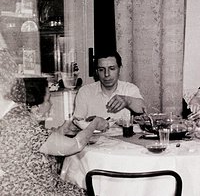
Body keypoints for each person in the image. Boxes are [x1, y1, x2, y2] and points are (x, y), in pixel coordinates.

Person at [0, 49, 108, 195]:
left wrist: (63, 130)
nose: (51, 104)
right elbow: (75, 145)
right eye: (48, 99)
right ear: (36, 106)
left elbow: (36, 143)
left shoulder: (15, 116)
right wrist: (94, 123)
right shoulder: (24, 123)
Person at [72, 49, 146, 120]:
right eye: (101, 69)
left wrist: (127, 101)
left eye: (112, 68)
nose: (106, 74)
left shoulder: (129, 89)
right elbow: (77, 122)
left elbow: (143, 109)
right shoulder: (85, 92)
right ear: (97, 72)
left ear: (120, 69)